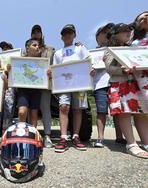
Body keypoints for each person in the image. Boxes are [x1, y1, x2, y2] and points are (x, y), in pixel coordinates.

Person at [103, 23, 148, 158]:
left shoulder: (133, 48)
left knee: (140, 113)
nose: (128, 32)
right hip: (119, 84)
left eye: (129, 30)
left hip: (135, 84)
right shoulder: (109, 50)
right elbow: (109, 68)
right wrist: (123, 69)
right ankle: (131, 144)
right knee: (125, 113)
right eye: (124, 30)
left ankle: (146, 142)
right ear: (115, 34)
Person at [52, 24, 90, 153]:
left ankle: (76, 136)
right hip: (64, 84)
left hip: (80, 83)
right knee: (64, 107)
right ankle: (63, 138)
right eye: (64, 33)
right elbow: (55, 70)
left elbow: (88, 61)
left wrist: (92, 69)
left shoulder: (81, 47)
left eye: (70, 33)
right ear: (61, 37)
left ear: (74, 34)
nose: (67, 35)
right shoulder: (57, 53)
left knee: (78, 109)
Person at [91, 23, 126, 147]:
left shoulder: (117, 48)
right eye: (104, 32)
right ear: (97, 36)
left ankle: (119, 137)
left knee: (117, 110)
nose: (107, 34)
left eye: (109, 32)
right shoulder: (92, 53)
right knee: (101, 111)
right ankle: (100, 138)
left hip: (115, 81)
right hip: (100, 84)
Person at [8, 38, 42, 128]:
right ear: (27, 48)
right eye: (34, 45)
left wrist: (48, 74)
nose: (37, 47)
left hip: (36, 90)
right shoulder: (19, 62)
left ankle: (33, 135)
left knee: (34, 115)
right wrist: (10, 69)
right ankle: (21, 132)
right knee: (22, 112)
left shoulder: (42, 63)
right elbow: (14, 75)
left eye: (38, 45)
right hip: (23, 90)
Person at [31, 24, 55, 148]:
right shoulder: (27, 50)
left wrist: (52, 70)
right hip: (31, 85)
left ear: (42, 33)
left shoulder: (50, 49)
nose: (36, 34)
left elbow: (56, 64)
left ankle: (47, 136)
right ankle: (31, 136)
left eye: (38, 31)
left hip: (45, 84)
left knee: (46, 109)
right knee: (32, 111)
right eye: (34, 32)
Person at [131, 11, 148, 152]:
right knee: (141, 110)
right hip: (141, 79)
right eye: (141, 18)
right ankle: (146, 141)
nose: (145, 18)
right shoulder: (134, 42)